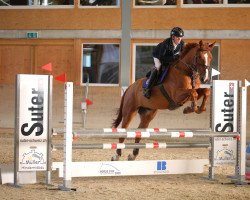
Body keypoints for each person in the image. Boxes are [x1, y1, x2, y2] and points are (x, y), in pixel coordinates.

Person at [143, 27, 185, 99]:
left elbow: (183, 54)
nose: (179, 39)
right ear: (173, 37)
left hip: (171, 57)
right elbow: (162, 58)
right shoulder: (166, 44)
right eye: (178, 37)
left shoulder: (182, 43)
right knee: (158, 67)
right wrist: (174, 58)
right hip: (158, 56)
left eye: (181, 37)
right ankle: (148, 89)